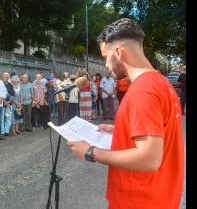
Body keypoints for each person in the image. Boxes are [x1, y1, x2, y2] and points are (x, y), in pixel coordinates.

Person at [66, 18, 184, 209]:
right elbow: (160, 132)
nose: (105, 64)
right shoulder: (160, 83)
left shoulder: (143, 91)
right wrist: (121, 130)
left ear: (119, 52)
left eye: (106, 56)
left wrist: (90, 152)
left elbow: (149, 158)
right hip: (159, 195)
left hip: (139, 200)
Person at [1, 72, 15, 137]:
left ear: (8, 78)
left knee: (8, 118)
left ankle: (7, 131)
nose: (5, 78)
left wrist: (9, 102)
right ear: (2, 77)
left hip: (9, 104)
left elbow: (13, 94)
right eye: (4, 77)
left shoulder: (10, 85)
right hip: (2, 104)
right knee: (1, 119)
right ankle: (2, 131)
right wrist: (5, 102)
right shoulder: (0, 84)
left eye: (6, 77)